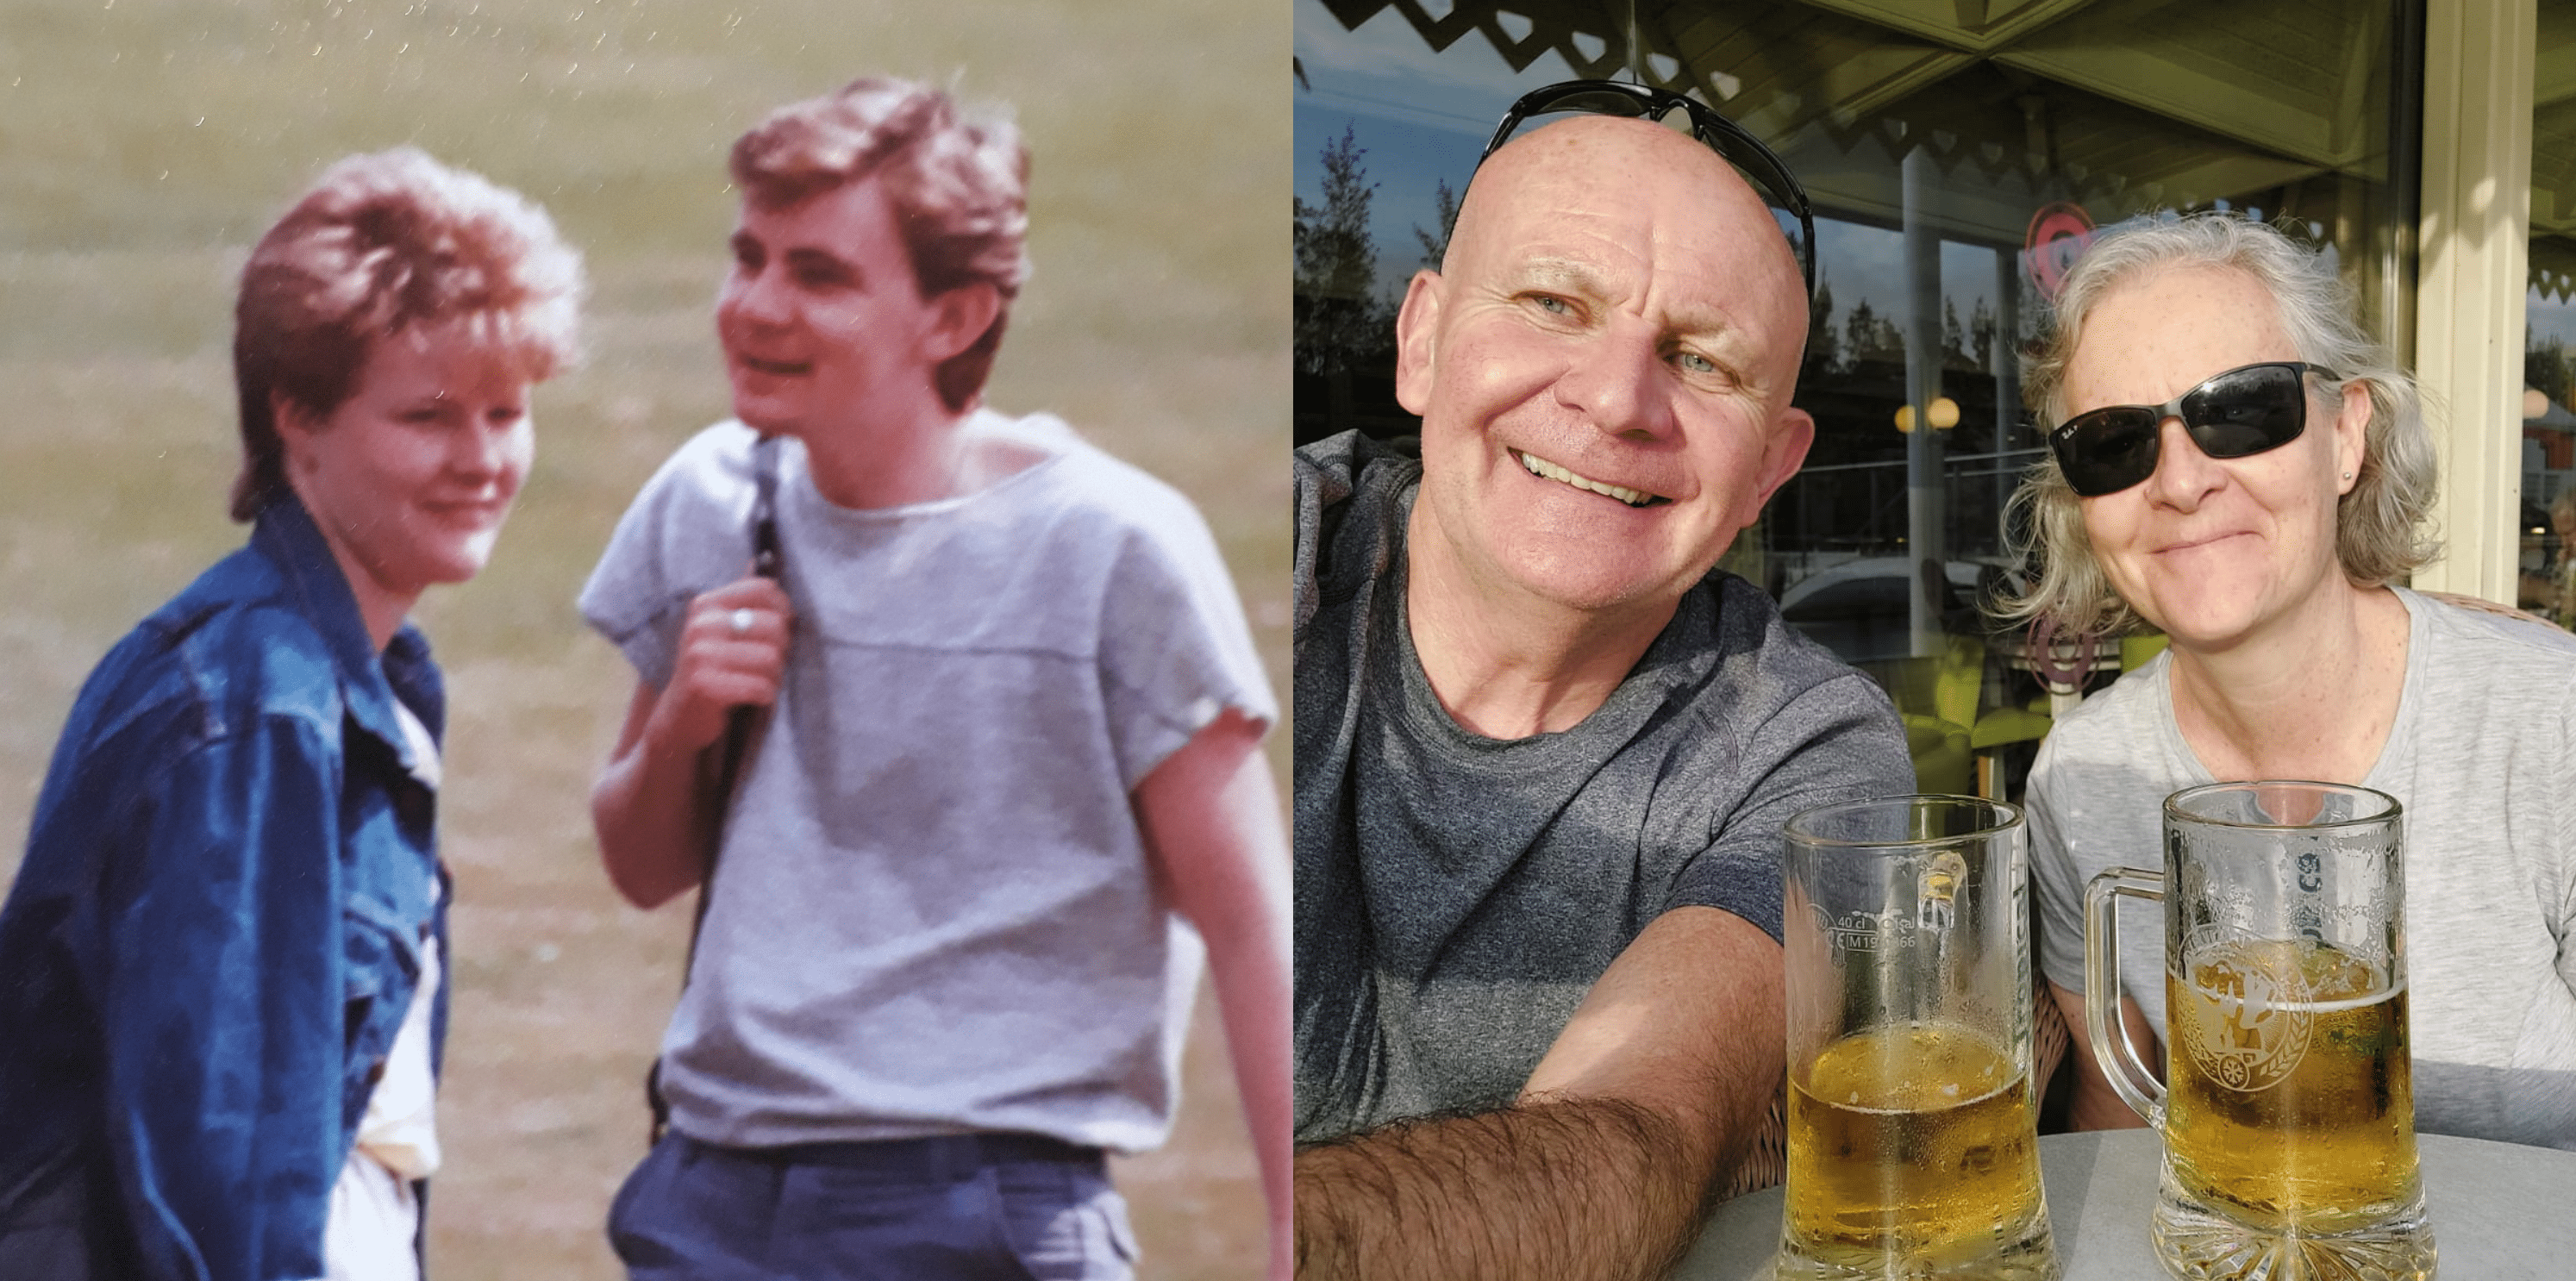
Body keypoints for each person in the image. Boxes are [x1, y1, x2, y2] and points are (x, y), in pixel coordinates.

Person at [578, 77, 1291, 1280]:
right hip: (714, 1201)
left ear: (953, 317)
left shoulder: (1108, 549)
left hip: (987, 1211)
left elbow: (1249, 919)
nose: (754, 305)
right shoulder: (711, 503)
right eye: (747, 256)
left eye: (818, 274)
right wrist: (686, 720)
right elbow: (640, 864)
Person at [1291, 105, 1915, 1278]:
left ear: (1769, 472)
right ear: (1420, 341)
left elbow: (1642, 1137)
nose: (1620, 398)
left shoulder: (1805, 745)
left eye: (1702, 359)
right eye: (1552, 304)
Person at [0, 149, 582, 1278]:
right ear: (296, 420)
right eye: (428, 416)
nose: (482, 459)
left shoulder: (370, 681)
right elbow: (225, 1173)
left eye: (506, 410)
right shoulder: (263, 710)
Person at [2004, 213, 2576, 1148]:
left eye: (2240, 410)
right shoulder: (2082, 777)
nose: (2182, 482)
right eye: (2114, 442)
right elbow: (2117, 1126)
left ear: (2347, 436)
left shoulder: (2549, 722)